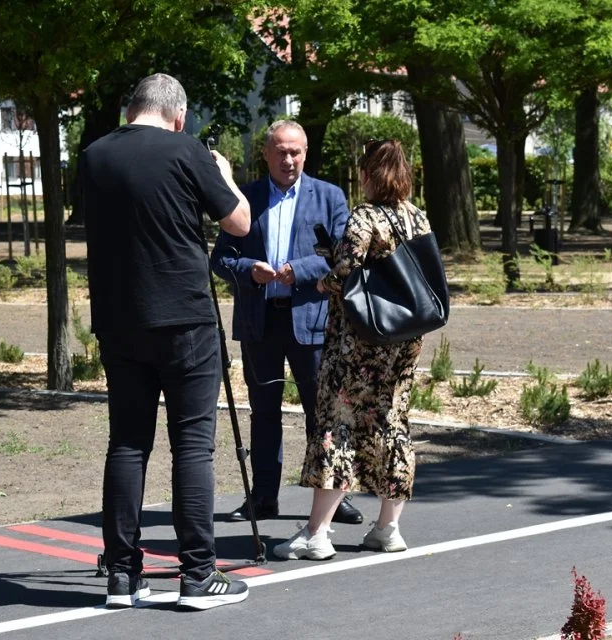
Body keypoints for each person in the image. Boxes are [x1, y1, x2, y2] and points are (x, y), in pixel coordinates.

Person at [80, 73, 252, 610]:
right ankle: (198, 574)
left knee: (128, 445)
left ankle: (123, 575)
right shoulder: (187, 150)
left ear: (133, 108)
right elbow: (240, 222)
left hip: (119, 317)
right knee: (193, 445)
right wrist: (224, 174)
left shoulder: (93, 156)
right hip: (183, 317)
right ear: (178, 114)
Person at [273, 139, 430, 561]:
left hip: (359, 340)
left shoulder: (365, 217)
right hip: (404, 336)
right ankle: (388, 527)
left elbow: (343, 272)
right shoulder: (416, 216)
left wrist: (323, 283)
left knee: (336, 421)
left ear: (368, 174)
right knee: (392, 420)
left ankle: (316, 533)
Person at [211, 120, 360, 525]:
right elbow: (220, 258)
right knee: (264, 413)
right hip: (261, 323)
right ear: (266, 154)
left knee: (324, 413)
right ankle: (263, 497)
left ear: (305, 153)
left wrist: (301, 269)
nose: (288, 159)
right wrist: (248, 269)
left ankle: (333, 497)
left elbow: (342, 253)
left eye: (295, 152)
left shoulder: (328, 196)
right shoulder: (245, 198)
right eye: (280, 151)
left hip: (310, 322)